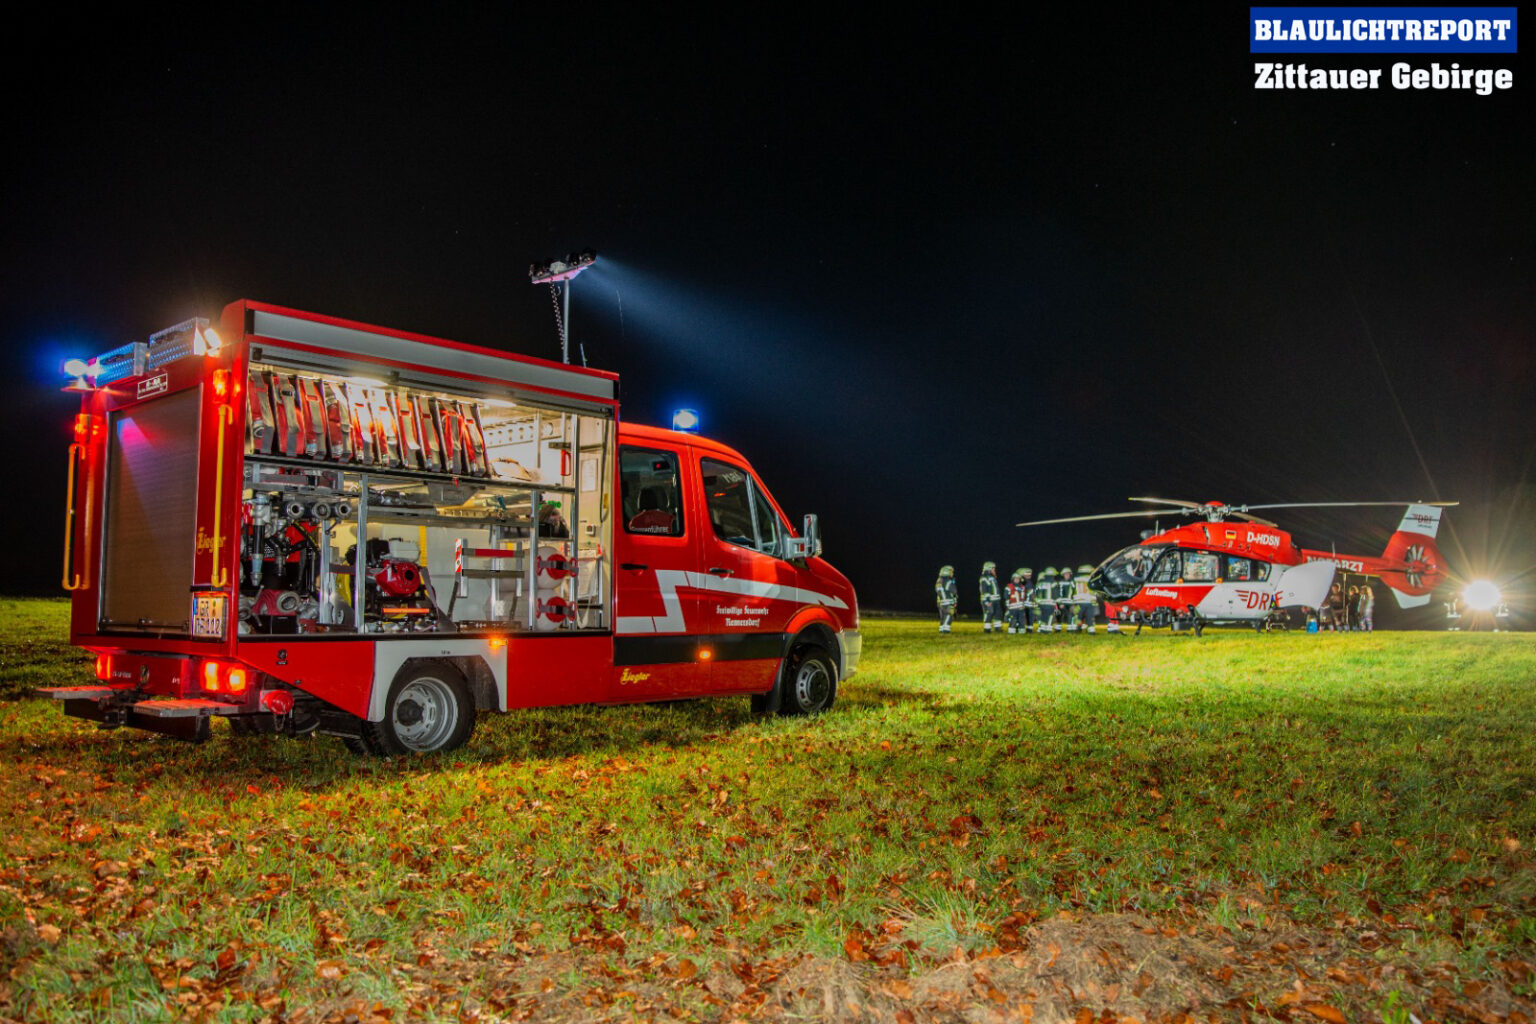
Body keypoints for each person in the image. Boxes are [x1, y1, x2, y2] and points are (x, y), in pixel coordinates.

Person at [978, 562, 1004, 633]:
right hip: (989, 600)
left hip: (995, 600)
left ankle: (998, 628)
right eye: (993, 568)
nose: (994, 570)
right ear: (989, 569)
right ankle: (987, 629)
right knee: (989, 613)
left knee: (997, 614)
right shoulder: (984, 578)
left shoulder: (992, 577)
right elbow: (984, 590)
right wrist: (987, 601)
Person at [1033, 567, 1060, 632]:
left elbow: (1036, 593)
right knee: (1049, 616)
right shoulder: (1054, 583)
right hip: (1050, 604)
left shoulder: (1040, 583)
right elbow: (1055, 594)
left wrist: (1037, 602)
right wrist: (1059, 601)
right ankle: (1048, 629)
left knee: (1043, 616)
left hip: (1041, 604)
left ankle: (1042, 629)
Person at [1074, 564, 1099, 633]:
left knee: (1079, 616)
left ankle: (1078, 628)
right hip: (1089, 601)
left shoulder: (1076, 579)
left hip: (1079, 601)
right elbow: (1094, 591)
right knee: (1089, 616)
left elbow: (1073, 590)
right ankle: (1091, 630)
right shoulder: (1091, 579)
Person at [935, 565, 957, 633]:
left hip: (940, 602)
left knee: (942, 616)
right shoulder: (948, 581)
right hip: (948, 601)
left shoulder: (938, 581)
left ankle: (941, 629)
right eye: (951, 572)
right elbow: (954, 591)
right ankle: (946, 630)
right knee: (949, 615)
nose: (952, 573)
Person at [1006, 570, 1029, 634]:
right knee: (1013, 619)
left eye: (1018, 579)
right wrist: (1007, 606)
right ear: (1013, 579)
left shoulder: (1022, 587)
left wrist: (1024, 604)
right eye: (1016, 578)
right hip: (1013, 607)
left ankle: (1022, 631)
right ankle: (1011, 631)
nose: (1017, 580)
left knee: (1022, 620)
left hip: (1021, 607)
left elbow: (1024, 597)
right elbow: (1006, 597)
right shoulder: (1009, 586)